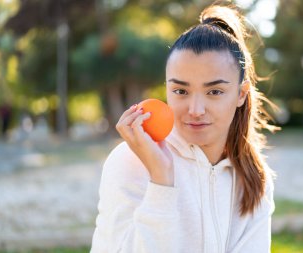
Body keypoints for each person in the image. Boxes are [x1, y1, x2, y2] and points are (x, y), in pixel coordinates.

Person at [91, 2, 279, 252]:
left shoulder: (255, 178)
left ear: (241, 94)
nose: (196, 109)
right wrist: (161, 180)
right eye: (181, 90)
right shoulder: (129, 162)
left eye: (214, 91)